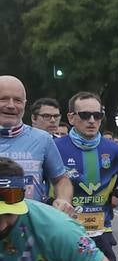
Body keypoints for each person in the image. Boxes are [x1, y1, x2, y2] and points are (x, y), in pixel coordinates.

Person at [55, 92, 118, 261]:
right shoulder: (54, 147)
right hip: (65, 229)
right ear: (71, 118)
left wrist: (117, 195)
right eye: (85, 115)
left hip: (101, 229)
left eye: (97, 115)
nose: (92, 120)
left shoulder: (114, 149)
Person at [0, 76, 74, 215]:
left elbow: (61, 179)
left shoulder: (42, 139)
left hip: (30, 226)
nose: (11, 105)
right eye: (3, 98)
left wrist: (63, 199)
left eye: (17, 100)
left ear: (25, 104)